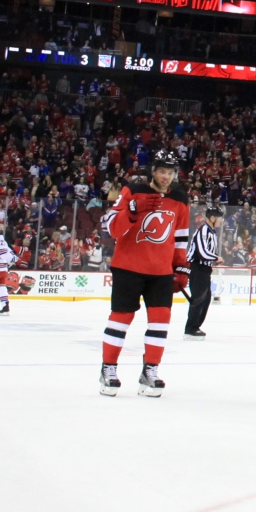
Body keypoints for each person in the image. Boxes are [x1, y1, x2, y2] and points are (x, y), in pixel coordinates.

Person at [99, 148, 191, 397]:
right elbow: (111, 227)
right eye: (162, 171)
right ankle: (108, 369)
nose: (165, 177)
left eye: (170, 172)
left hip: (160, 271)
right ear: (153, 171)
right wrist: (132, 210)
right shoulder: (134, 190)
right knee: (121, 318)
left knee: (161, 321)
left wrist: (180, 266)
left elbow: (180, 237)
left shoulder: (180, 198)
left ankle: (150, 370)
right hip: (128, 266)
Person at [184, 205, 223, 337]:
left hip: (205, 269)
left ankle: (195, 327)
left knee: (205, 299)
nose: (220, 221)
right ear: (212, 218)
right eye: (219, 218)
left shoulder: (211, 232)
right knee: (199, 299)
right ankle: (190, 328)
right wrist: (215, 257)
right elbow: (202, 252)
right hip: (197, 268)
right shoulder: (203, 231)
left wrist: (214, 257)